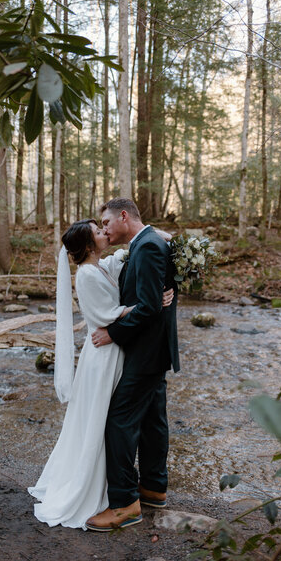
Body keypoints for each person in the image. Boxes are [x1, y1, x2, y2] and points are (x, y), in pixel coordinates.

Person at [28, 218, 174, 529]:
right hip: (103, 355)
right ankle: (101, 488)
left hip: (117, 351)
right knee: (102, 419)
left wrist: (151, 235)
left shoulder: (102, 266)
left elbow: (133, 251)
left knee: (126, 416)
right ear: (88, 245)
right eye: (98, 231)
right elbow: (106, 315)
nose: (104, 232)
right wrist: (150, 304)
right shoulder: (86, 276)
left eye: (103, 226)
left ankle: (133, 487)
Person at [86, 198, 179, 532]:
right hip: (153, 350)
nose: (106, 230)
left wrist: (112, 333)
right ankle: (154, 487)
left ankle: (125, 504)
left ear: (124, 216)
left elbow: (150, 306)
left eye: (107, 222)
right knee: (153, 419)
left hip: (146, 351)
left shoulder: (149, 246)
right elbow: (156, 294)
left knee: (119, 420)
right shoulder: (149, 242)